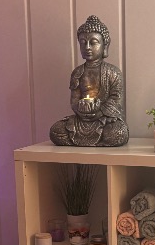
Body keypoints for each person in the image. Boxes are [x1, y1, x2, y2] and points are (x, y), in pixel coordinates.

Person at [50, 15, 130, 147]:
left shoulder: (113, 72)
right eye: (83, 43)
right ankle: (95, 142)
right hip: (81, 121)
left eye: (93, 43)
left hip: (104, 120)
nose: (87, 47)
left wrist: (98, 111)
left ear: (104, 45)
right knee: (56, 130)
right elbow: (74, 100)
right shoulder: (77, 72)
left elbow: (116, 100)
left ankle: (99, 139)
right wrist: (81, 109)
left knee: (118, 133)